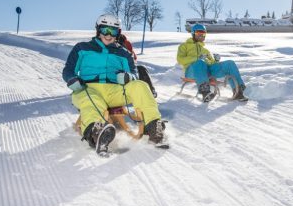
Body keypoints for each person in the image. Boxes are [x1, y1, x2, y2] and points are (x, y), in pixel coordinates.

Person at [62, 13, 166, 152]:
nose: (109, 34)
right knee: (91, 99)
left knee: (140, 85)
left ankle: (153, 126)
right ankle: (96, 133)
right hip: (87, 89)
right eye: (105, 30)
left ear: (118, 33)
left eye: (113, 31)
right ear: (98, 30)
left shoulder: (123, 53)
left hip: (115, 92)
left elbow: (135, 74)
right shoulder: (82, 48)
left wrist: (128, 77)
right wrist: (71, 79)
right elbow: (68, 69)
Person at [176, 23, 247, 102]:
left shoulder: (205, 51)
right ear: (193, 33)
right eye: (198, 33)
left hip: (207, 71)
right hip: (192, 71)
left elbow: (211, 64)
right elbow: (180, 59)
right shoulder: (184, 46)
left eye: (203, 33)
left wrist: (216, 61)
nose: (201, 35)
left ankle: (238, 91)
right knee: (199, 62)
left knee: (230, 63)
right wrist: (196, 58)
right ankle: (205, 92)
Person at [117, 33, 157, 97]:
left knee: (141, 69)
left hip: (126, 67)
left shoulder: (126, 42)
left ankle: (150, 91)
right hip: (112, 68)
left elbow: (133, 57)